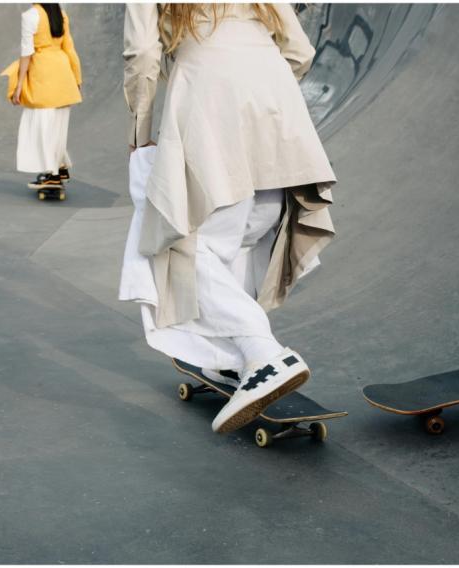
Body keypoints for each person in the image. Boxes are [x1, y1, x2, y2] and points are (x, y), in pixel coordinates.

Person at [120, 4, 336, 434]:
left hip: (208, 97)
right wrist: (260, 92)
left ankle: (263, 354)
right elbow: (299, 49)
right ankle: (232, 357)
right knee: (238, 239)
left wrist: (140, 135)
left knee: (180, 248)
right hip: (273, 101)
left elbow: (144, 55)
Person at [1, 3, 82, 192]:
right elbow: (69, 48)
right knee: (58, 126)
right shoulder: (60, 14)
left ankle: (52, 175)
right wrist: (77, 78)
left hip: (43, 76)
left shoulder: (30, 16)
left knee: (42, 126)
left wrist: (19, 83)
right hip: (64, 75)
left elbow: (27, 52)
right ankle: (60, 168)